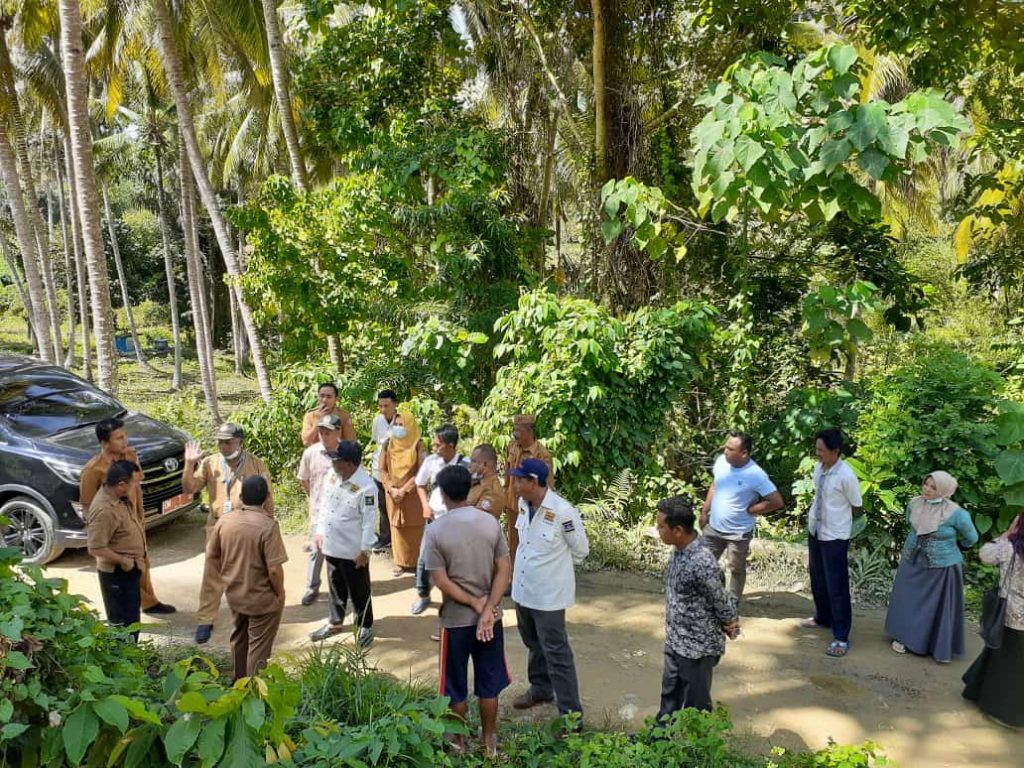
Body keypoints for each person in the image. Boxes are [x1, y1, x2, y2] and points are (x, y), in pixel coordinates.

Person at [422, 465, 512, 755]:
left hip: (456, 621)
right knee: (489, 683)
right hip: (490, 621)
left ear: (443, 494)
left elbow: (442, 581)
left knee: (455, 685)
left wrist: (474, 604)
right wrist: (487, 609)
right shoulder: (490, 524)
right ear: (469, 488)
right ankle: (489, 742)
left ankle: (458, 742)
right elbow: (504, 571)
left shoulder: (435, 531)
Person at [508, 458, 588, 725]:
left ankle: (571, 717)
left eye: (520, 479)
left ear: (534, 482)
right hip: (523, 591)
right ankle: (540, 689)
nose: (515, 484)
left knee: (557, 654)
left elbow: (580, 551)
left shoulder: (563, 512)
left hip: (549, 598)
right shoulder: (523, 504)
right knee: (533, 644)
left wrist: (553, 571)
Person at [183, 422, 274, 644]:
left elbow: (268, 498)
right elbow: (189, 488)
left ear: (240, 442)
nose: (223, 446)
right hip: (218, 527)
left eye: (227, 441)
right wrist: (189, 464)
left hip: (246, 528)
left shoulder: (256, 465)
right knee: (212, 574)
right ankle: (205, 619)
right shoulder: (210, 463)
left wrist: (268, 526)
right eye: (220, 442)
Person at [80, 418, 175, 615]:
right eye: (119, 438)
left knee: (142, 561)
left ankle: (149, 601)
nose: (125, 441)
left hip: (134, 518)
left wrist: (139, 515)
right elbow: (88, 506)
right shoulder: (93, 470)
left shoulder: (129, 455)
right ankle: (120, 616)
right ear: (104, 443)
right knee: (118, 573)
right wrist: (101, 533)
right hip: (113, 529)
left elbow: (138, 482)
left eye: (125, 436)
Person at [656, 495, 740, 718]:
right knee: (669, 697)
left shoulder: (701, 561)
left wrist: (731, 622)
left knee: (696, 707)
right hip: (676, 640)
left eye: (661, 527)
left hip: (697, 648)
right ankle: (659, 740)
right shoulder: (681, 548)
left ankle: (698, 751)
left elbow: (720, 599)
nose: (658, 530)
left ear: (678, 530)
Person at [884, 472, 978, 663]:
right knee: (908, 600)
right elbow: (910, 524)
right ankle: (903, 638)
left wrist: (952, 548)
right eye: (925, 484)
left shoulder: (956, 513)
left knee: (932, 606)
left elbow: (971, 538)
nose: (927, 489)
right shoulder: (914, 504)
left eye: (933, 487)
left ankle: (934, 645)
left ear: (943, 490)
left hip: (941, 566)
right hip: (913, 560)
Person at [205, 476, 288, 681]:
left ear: (241, 497)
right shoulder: (268, 526)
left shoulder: (225, 520)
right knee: (258, 648)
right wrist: (280, 594)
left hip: (235, 594)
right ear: (267, 497)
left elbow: (211, 555)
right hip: (262, 599)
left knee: (239, 638)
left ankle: (237, 681)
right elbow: (275, 570)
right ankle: (252, 693)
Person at [799, 428, 863, 658]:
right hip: (816, 529)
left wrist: (840, 521)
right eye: (816, 449)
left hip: (835, 535)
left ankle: (841, 636)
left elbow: (857, 506)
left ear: (836, 451)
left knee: (837, 585)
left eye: (822, 451)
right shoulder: (819, 468)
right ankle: (822, 617)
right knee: (817, 577)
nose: (818, 454)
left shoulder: (846, 476)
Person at [699, 431, 784, 604]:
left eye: (731, 449)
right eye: (726, 447)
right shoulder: (722, 462)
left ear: (744, 453)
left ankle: (732, 602)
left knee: (736, 569)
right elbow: (714, 486)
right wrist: (704, 512)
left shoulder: (755, 474)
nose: (725, 451)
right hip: (713, 527)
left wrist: (754, 509)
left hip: (738, 533)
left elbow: (776, 501)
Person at [309, 441, 378, 648]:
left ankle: (364, 624)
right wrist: (320, 531)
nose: (332, 463)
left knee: (359, 589)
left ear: (348, 463)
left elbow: (369, 522)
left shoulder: (366, 487)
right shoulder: (333, 476)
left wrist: (365, 550)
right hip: (331, 544)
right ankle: (335, 622)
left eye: (336, 460)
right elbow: (325, 506)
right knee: (335, 584)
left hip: (352, 550)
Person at [962, 514, 1024, 728]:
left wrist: (1007, 534)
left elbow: (985, 555)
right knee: (1007, 659)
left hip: (1008, 614)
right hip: (1016, 617)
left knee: (1003, 659)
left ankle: (1000, 708)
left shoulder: (1010, 547)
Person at [410, 424, 470, 616]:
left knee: (456, 561)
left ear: (451, 445)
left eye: (439, 445)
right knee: (423, 559)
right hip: (434, 520)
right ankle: (423, 595)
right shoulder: (431, 462)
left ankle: (457, 597)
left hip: (457, 522)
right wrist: (425, 506)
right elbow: (420, 484)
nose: (435, 449)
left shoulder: (466, 465)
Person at [86, 460, 147, 641]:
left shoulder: (118, 497)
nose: (136, 486)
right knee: (122, 625)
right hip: (117, 575)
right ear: (121, 484)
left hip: (129, 570)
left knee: (132, 620)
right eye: (134, 482)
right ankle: (124, 662)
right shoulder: (104, 510)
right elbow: (95, 547)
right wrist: (122, 560)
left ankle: (131, 660)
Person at [297, 414, 344, 606]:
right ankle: (312, 587)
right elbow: (304, 478)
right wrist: (314, 499)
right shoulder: (311, 453)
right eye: (321, 432)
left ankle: (340, 590)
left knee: (341, 552)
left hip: (343, 513)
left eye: (328, 432)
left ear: (338, 432)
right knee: (317, 550)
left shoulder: (347, 452)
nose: (324, 436)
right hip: (319, 512)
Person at [504, 415, 554, 576]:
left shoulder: (542, 455)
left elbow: (547, 486)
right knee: (513, 543)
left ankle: (532, 578)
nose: (514, 433)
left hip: (531, 509)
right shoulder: (512, 447)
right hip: (512, 505)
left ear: (529, 431)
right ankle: (513, 578)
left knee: (531, 545)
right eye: (514, 429)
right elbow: (507, 475)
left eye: (518, 430)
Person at [380, 410, 426, 577]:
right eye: (396, 425)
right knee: (396, 528)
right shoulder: (388, 444)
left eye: (402, 425)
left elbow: (421, 471)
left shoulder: (419, 445)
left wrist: (405, 490)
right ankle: (399, 563)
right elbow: (382, 469)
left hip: (413, 494)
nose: (398, 428)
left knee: (414, 528)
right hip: (393, 494)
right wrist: (391, 489)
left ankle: (415, 563)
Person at [370, 390, 400, 551]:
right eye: (380, 406)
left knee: (397, 506)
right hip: (378, 469)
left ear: (395, 404)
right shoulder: (377, 421)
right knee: (382, 505)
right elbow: (377, 441)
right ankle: (385, 537)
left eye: (386, 405)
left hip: (397, 471)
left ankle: (399, 540)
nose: (383, 409)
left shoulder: (402, 421)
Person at [301, 382, 356, 447]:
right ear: (317, 397)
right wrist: (318, 421)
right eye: (322, 396)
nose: (324, 400)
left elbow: (350, 442)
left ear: (336, 399)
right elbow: (306, 442)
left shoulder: (344, 416)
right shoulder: (310, 416)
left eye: (329, 397)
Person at [467, 444, 507, 521]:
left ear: (485, 464)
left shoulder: (493, 491)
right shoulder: (477, 482)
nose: (470, 465)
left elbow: (477, 520)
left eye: (473, 461)